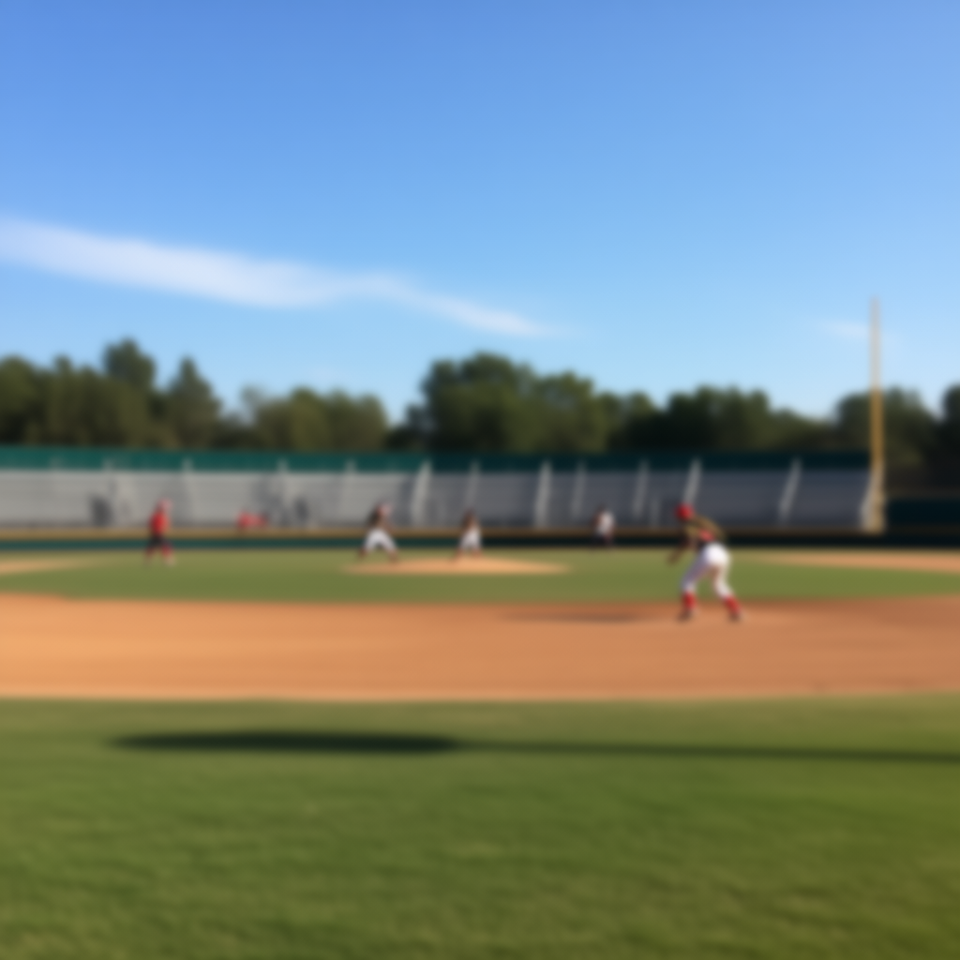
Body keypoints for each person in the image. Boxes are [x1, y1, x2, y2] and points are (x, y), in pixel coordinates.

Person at [667, 503, 742, 622]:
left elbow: (687, 541)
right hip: (723, 553)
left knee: (687, 581)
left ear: (678, 516)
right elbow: (720, 534)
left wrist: (675, 556)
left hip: (708, 553)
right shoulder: (703, 522)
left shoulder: (686, 526)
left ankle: (690, 608)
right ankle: (736, 611)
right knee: (719, 584)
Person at [145, 499, 175, 566]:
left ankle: (148, 561)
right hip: (158, 534)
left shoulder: (160, 516)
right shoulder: (158, 516)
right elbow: (155, 525)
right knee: (164, 546)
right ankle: (167, 561)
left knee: (153, 547)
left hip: (157, 533)